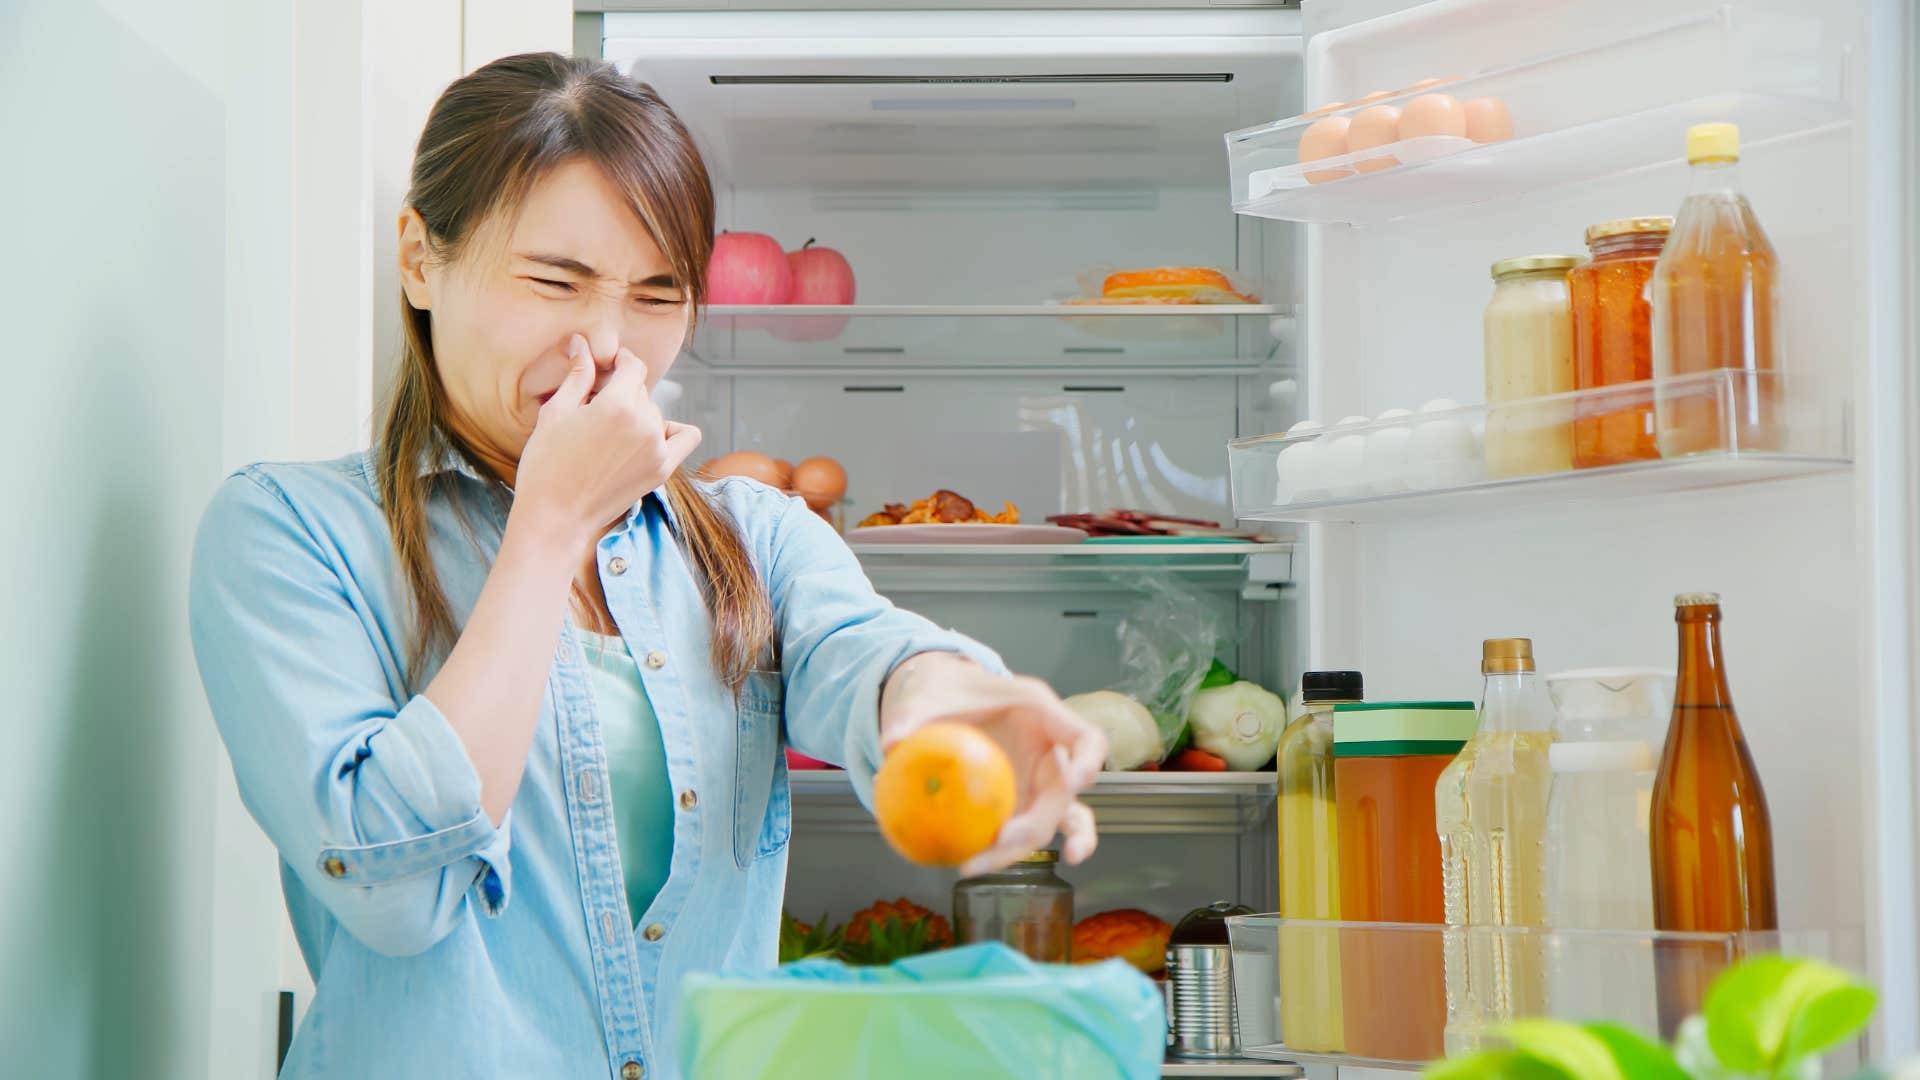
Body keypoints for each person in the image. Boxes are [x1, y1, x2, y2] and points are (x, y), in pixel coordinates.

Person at [188, 52, 1105, 1080]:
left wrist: (946, 701)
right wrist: (552, 522)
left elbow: (868, 654)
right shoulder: (290, 533)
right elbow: (396, 892)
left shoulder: (754, 538)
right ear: (418, 259)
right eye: (555, 281)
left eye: (658, 295)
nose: (607, 345)